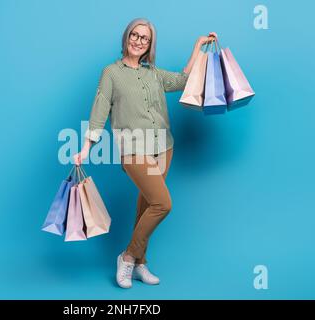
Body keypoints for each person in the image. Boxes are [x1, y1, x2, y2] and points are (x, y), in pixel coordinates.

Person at [73, 17, 217, 289]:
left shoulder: (154, 73)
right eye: (135, 36)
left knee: (146, 207)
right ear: (126, 38)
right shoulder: (111, 73)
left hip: (165, 148)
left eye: (145, 38)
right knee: (163, 204)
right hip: (134, 150)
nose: (139, 41)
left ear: (150, 44)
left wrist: (198, 46)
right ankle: (127, 257)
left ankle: (140, 264)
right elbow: (99, 111)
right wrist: (85, 148)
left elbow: (184, 80)